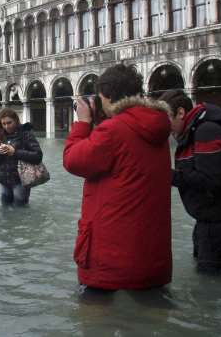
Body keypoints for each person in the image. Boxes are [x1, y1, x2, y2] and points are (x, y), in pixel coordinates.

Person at [63, 64, 173, 296]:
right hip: (149, 254)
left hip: (111, 255)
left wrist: (83, 123)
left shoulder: (114, 130)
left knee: (95, 320)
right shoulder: (155, 125)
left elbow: (73, 160)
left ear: (107, 95)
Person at [159, 89, 221, 274]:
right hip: (210, 224)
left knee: (213, 292)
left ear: (181, 113)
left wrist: (165, 175)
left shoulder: (206, 131)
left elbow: (210, 180)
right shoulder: (195, 132)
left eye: (165, 118)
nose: (163, 125)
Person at [0, 108, 43, 206]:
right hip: (4, 182)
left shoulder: (26, 134)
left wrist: (15, 152)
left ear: (16, 120)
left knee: (20, 212)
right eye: (3, 124)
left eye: (9, 123)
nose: (6, 126)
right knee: (5, 211)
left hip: (21, 181)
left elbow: (38, 156)